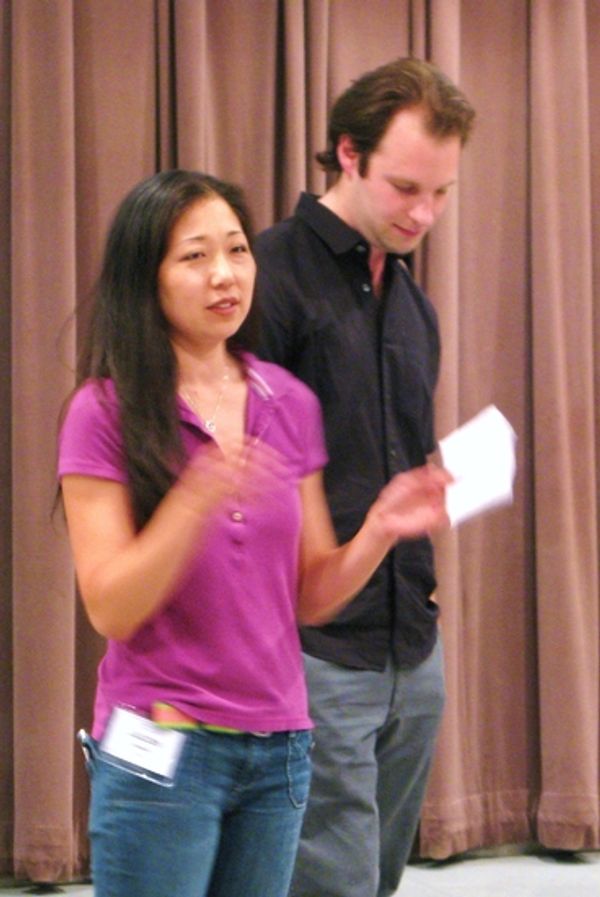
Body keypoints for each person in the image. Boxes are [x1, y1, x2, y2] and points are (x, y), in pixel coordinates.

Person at [56, 169, 451, 897]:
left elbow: (309, 596)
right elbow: (109, 605)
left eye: (237, 250)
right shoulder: (104, 410)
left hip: (280, 747)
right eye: (195, 256)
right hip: (162, 744)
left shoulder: (286, 402)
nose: (225, 274)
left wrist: (378, 531)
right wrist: (192, 498)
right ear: (147, 279)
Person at [253, 58, 476, 897]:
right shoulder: (267, 278)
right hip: (309, 647)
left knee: (375, 883)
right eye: (407, 187)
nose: (426, 214)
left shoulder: (414, 306)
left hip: (412, 643)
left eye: (443, 193)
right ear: (348, 154)